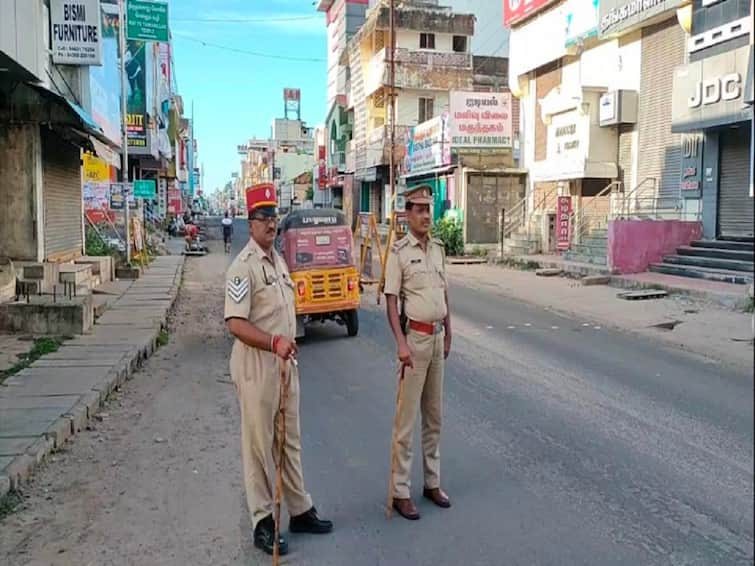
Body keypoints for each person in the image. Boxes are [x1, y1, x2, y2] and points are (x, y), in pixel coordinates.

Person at [224, 184, 333, 556]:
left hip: (285, 366)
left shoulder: (278, 260)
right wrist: (273, 343)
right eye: (263, 218)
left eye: (273, 217)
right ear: (250, 222)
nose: (271, 224)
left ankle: (300, 509)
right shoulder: (243, 268)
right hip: (257, 365)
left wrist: (284, 346)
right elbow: (235, 324)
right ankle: (263, 522)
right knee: (258, 446)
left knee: (290, 441)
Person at [383, 184, 452, 521]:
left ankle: (432, 483)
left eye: (429, 209)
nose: (426, 216)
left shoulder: (438, 249)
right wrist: (400, 343)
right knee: (406, 420)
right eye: (419, 210)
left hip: (437, 339)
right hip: (415, 342)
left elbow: (443, 293)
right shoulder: (398, 252)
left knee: (434, 416)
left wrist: (449, 330)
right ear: (407, 214)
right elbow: (392, 300)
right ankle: (400, 491)